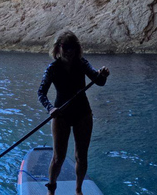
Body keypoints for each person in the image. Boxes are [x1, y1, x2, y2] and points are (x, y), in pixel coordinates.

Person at [37, 30, 109, 195]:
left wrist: (102, 75)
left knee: (81, 156)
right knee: (58, 158)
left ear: (77, 48)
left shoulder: (82, 63)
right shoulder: (52, 68)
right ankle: (51, 190)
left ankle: (78, 191)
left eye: (73, 47)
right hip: (60, 115)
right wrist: (50, 108)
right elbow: (41, 93)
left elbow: (99, 82)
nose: (69, 51)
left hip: (82, 113)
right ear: (58, 48)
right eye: (66, 47)